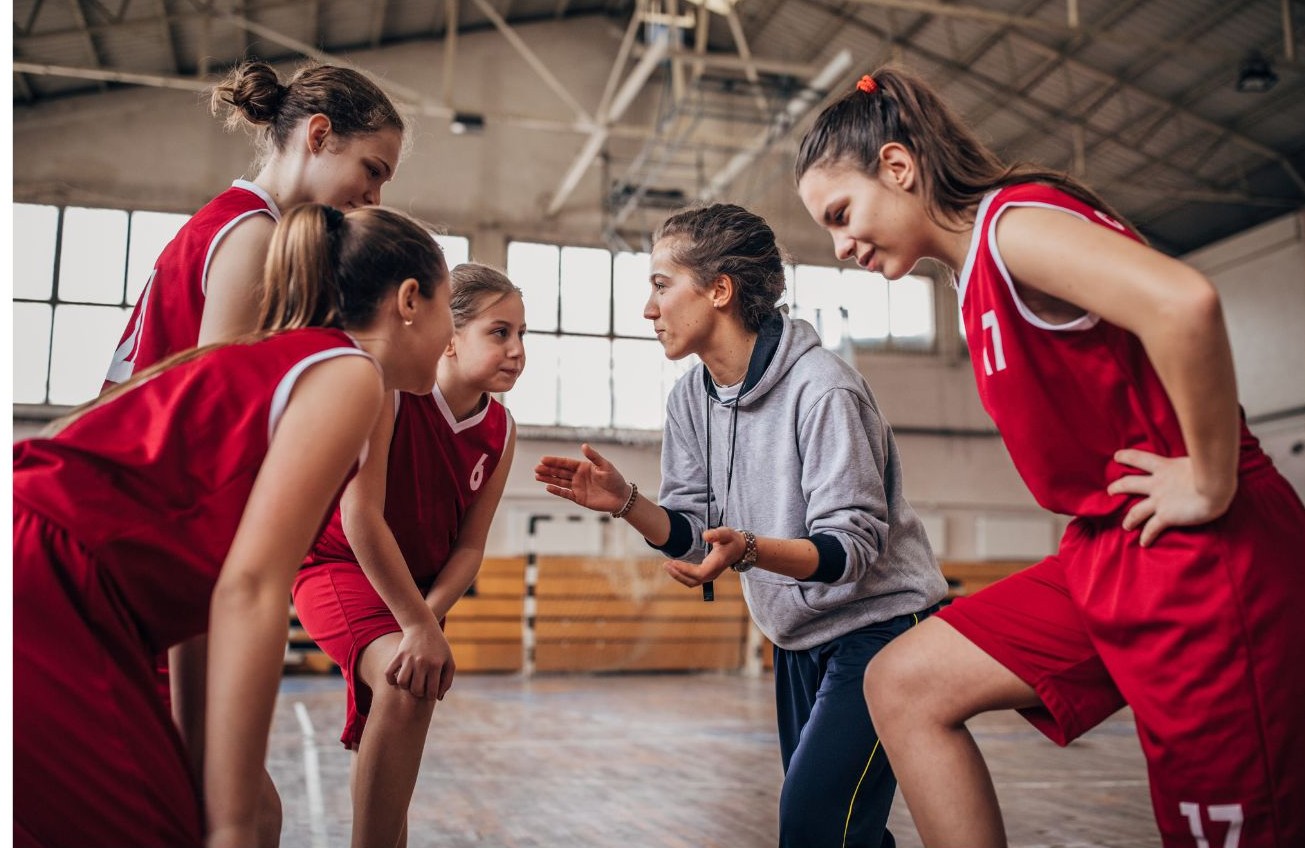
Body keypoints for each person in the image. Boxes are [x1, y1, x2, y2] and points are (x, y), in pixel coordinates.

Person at [795, 68, 1305, 848]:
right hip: (1110, 548)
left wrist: (1207, 479)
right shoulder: (973, 275)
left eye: (841, 213)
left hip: (1205, 554)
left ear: (897, 168)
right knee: (902, 684)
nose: (840, 244)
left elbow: (1184, 303)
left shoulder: (1012, 228)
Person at [14, 203, 454, 848]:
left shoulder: (288, 362)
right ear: (410, 299)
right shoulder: (348, 373)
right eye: (450, 306)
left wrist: (209, 785)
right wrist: (228, 824)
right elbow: (251, 590)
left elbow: (209, 604)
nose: (452, 336)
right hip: (50, 572)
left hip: (51, 560)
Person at [534, 203, 946, 848]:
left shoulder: (823, 391)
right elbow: (696, 529)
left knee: (814, 828)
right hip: (796, 639)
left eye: (661, 285)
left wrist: (749, 548)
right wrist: (625, 502)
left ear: (719, 290)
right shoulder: (691, 398)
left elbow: (852, 549)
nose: (648, 309)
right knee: (843, 835)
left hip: (882, 631)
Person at [101, 60, 404, 845]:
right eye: (371, 169)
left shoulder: (233, 223)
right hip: (131, 540)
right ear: (316, 134)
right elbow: (215, 442)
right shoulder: (253, 233)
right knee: (229, 813)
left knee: (242, 811)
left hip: (129, 529)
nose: (375, 195)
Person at [292, 263, 525, 848]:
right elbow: (358, 517)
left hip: (420, 594)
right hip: (343, 568)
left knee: (389, 736)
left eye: (524, 335)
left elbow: (471, 544)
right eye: (500, 332)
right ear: (449, 335)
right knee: (405, 688)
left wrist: (429, 616)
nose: (518, 350)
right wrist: (418, 624)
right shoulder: (388, 394)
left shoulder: (502, 428)